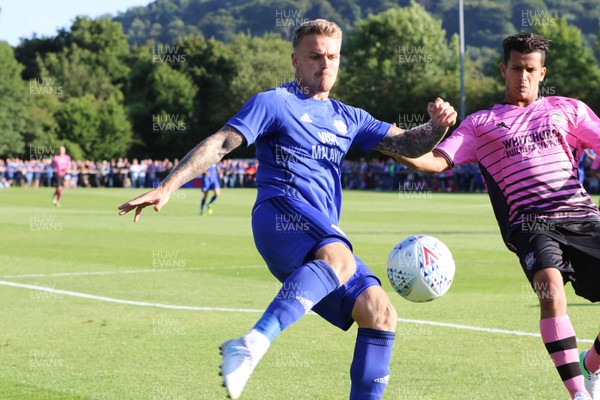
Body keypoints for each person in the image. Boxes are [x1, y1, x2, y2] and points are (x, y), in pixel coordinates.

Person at [118, 19, 456, 399]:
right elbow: (222, 143)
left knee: (379, 313)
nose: (325, 64)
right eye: (315, 56)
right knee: (340, 258)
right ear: (296, 60)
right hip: (280, 213)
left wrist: (438, 126)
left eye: (332, 56)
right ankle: (250, 345)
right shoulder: (274, 102)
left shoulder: (350, 118)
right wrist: (167, 186)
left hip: (318, 240)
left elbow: (410, 145)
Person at [396, 32, 600, 400]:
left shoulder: (568, 109)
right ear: (503, 69)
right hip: (531, 224)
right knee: (550, 290)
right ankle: (579, 395)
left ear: (542, 73)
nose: (522, 76)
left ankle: (592, 364)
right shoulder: (480, 124)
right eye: (516, 68)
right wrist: (392, 141)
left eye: (530, 69)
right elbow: (433, 163)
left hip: (582, 216)